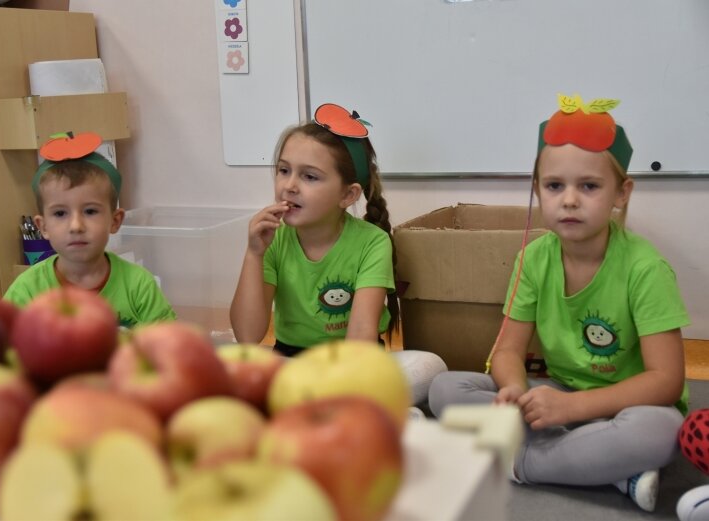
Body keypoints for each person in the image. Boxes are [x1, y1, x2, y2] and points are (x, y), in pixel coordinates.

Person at [428, 94, 690, 512]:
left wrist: (573, 406)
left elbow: (666, 381)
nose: (569, 200)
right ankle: (607, 468)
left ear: (621, 193)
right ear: (538, 190)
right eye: (554, 186)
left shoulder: (645, 268)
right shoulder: (533, 258)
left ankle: (524, 462)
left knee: (661, 432)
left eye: (588, 186)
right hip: (560, 397)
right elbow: (508, 351)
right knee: (445, 389)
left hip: (626, 406)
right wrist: (515, 391)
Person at [230, 103, 446, 406]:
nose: (289, 186)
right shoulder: (273, 239)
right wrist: (254, 254)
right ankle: (336, 410)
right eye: (283, 170)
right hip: (293, 363)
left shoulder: (373, 241)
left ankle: (317, 408)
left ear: (348, 195)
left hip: (353, 364)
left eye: (310, 177)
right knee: (233, 371)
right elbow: (247, 336)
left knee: (429, 367)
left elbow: (360, 334)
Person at [4, 131, 176, 328]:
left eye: (90, 211)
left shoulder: (138, 285)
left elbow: (167, 342)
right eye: (60, 214)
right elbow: (3, 348)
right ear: (43, 226)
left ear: (115, 220)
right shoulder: (27, 290)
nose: (76, 226)